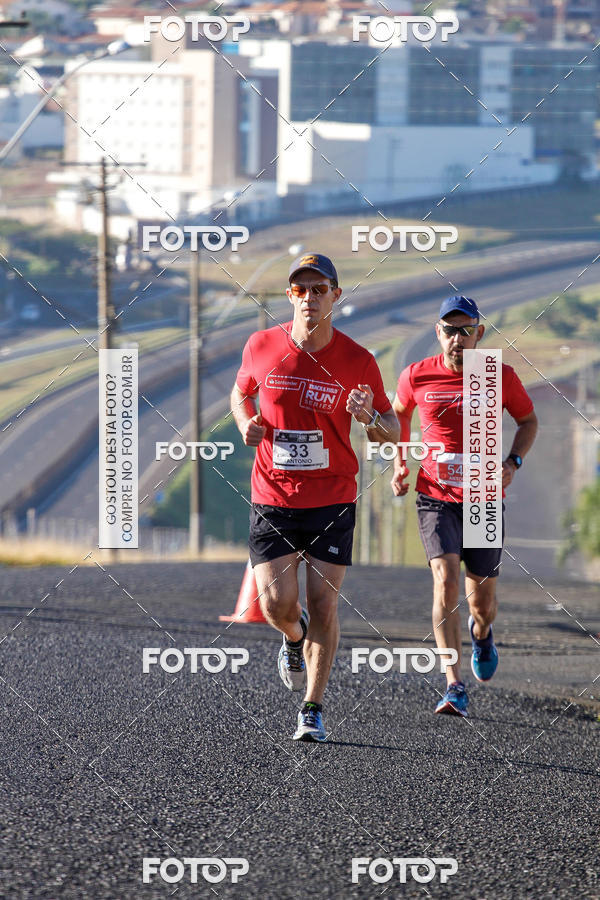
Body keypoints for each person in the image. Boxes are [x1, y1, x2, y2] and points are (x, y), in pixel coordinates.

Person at [231, 252, 399, 741]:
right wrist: (246, 423)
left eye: (319, 289)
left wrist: (369, 417)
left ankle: (313, 708)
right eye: (300, 290)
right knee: (276, 606)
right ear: (290, 297)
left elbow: (392, 430)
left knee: (324, 603)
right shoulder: (262, 344)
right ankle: (293, 636)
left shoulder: (358, 360)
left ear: (335, 296)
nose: (309, 298)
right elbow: (240, 393)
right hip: (274, 495)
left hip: (332, 499)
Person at [391, 295, 537, 716]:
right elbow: (399, 414)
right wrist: (401, 461)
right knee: (445, 580)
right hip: (435, 496)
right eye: (450, 330)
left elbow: (529, 421)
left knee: (481, 602)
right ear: (438, 332)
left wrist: (513, 461)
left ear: (479, 333)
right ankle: (454, 684)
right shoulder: (416, 376)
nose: (458, 339)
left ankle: (483, 633)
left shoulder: (498, 376)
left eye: (465, 330)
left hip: (485, 502)